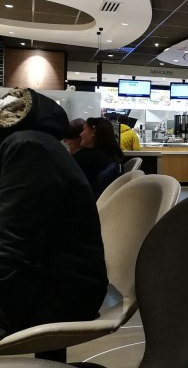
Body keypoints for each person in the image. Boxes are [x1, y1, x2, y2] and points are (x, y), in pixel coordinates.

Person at [0, 88, 107, 338]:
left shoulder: (28, 146)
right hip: (51, 278)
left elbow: (14, 243)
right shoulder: (29, 143)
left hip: (58, 291)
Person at [77, 117, 123, 197]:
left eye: (84, 130)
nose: (81, 134)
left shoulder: (90, 159)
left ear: (93, 132)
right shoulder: (108, 156)